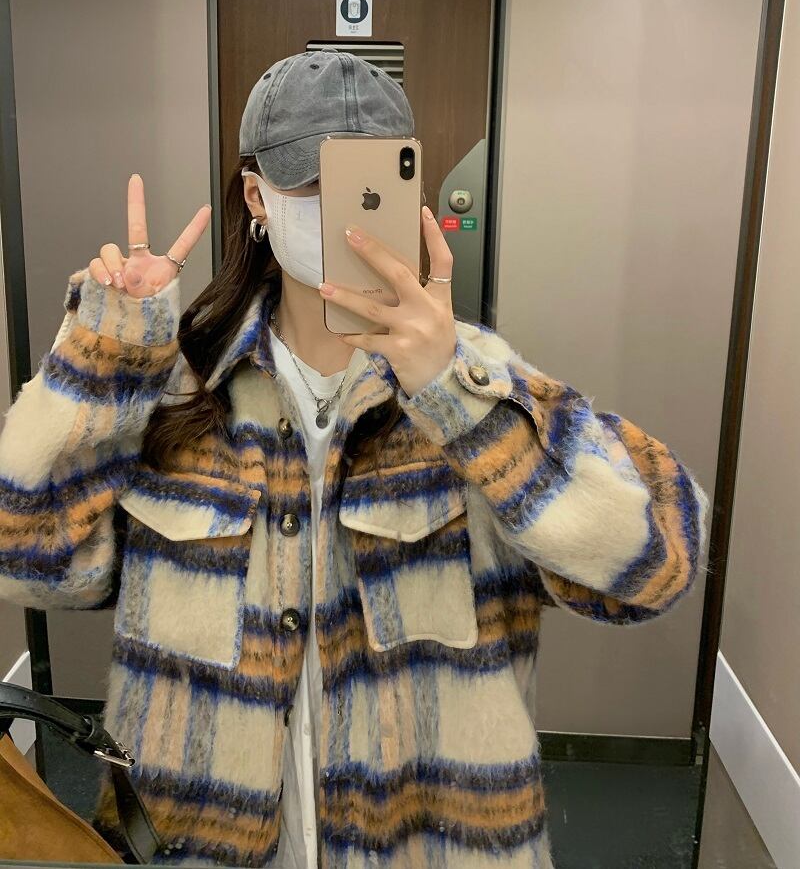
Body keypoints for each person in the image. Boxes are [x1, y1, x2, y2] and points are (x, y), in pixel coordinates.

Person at [0, 48, 707, 869]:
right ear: (256, 197)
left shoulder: (477, 383)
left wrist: (458, 396)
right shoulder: (174, 389)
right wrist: (106, 355)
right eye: (309, 181)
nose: (340, 210)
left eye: (365, 178)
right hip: (194, 843)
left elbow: (657, 564)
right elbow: (26, 558)